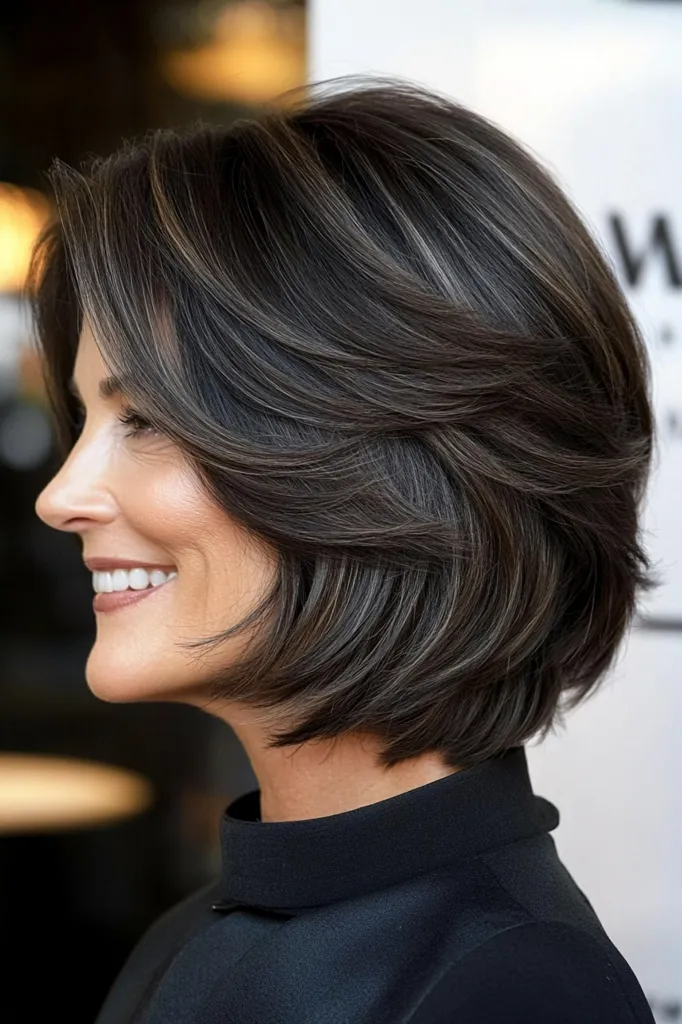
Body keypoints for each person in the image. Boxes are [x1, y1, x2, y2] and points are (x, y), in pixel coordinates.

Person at [31, 75, 659, 1023]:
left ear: (384, 458)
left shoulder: (507, 989)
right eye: (84, 419)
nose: (59, 496)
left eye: (148, 418)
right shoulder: (187, 943)